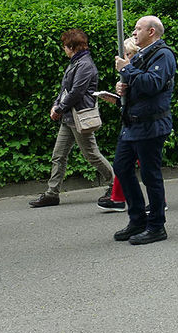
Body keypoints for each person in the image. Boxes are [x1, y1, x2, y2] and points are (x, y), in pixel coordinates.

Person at [29, 29, 116, 208]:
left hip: (78, 117)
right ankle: (52, 194)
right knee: (58, 156)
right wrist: (56, 105)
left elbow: (77, 92)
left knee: (92, 155)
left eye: (65, 46)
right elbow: (65, 90)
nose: (63, 49)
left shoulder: (84, 64)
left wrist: (59, 109)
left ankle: (116, 185)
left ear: (72, 47)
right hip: (69, 118)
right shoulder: (76, 62)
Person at [112, 16, 177, 244]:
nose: (133, 32)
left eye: (138, 28)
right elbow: (139, 83)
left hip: (151, 124)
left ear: (151, 32)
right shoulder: (141, 55)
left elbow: (152, 84)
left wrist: (128, 70)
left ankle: (157, 226)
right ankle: (137, 219)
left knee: (151, 175)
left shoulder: (163, 54)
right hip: (132, 123)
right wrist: (123, 88)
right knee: (121, 166)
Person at [95, 36, 139, 213]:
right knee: (123, 163)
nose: (124, 57)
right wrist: (117, 97)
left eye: (128, 54)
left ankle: (154, 203)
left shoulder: (135, 69)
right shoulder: (128, 71)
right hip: (130, 120)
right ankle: (118, 198)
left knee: (143, 164)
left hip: (140, 122)